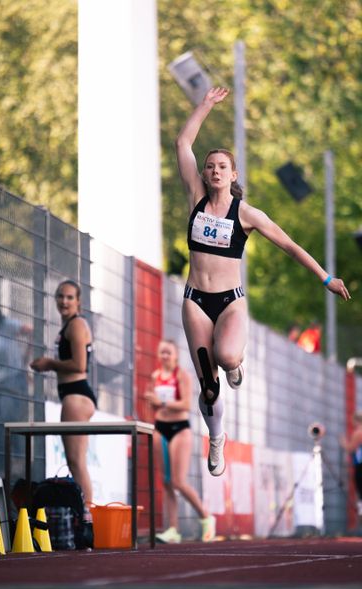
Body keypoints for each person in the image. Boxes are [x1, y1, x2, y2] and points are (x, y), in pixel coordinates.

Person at [176, 86, 351, 478]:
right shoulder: (195, 199)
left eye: (222, 166)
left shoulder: (246, 214)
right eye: (210, 166)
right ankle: (216, 437)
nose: (215, 170)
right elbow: (183, 141)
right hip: (195, 300)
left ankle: (235, 364)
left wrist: (326, 277)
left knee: (227, 358)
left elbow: (288, 244)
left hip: (230, 302)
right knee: (208, 385)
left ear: (233, 175)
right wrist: (204, 105)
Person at [30, 280, 96, 515]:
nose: (64, 301)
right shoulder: (69, 325)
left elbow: (79, 365)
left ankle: (87, 518)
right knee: (75, 461)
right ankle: (85, 516)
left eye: (69, 297)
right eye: (60, 296)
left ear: (78, 301)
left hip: (77, 395)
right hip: (73, 395)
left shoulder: (76, 325)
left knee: (76, 462)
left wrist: (49, 364)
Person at [145, 339, 216, 543]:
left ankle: (206, 517)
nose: (165, 356)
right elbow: (153, 403)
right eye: (162, 353)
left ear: (175, 355)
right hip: (161, 427)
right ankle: (173, 529)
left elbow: (186, 403)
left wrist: (164, 402)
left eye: (168, 352)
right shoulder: (155, 377)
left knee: (178, 481)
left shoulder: (181, 375)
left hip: (179, 428)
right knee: (166, 482)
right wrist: (151, 401)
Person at [340, 412, 362, 521]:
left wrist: (343, 442)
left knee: (361, 494)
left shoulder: (358, 433)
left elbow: (350, 448)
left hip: (360, 467)